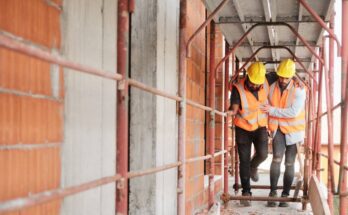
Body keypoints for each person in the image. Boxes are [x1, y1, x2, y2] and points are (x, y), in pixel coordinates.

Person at [229, 62, 278, 206]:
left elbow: (285, 76)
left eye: (258, 83)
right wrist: (230, 112)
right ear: (247, 76)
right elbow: (235, 108)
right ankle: (246, 193)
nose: (256, 86)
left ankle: (253, 166)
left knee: (263, 154)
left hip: (260, 126)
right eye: (253, 83)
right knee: (243, 160)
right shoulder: (238, 88)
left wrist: (297, 83)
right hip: (243, 128)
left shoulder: (267, 79)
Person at [260, 59, 306, 207]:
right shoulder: (272, 85)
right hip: (278, 128)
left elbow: (293, 112)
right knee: (277, 159)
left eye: (286, 77)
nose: (283, 80)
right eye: (281, 76)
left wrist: (272, 110)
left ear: (292, 76)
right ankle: (273, 193)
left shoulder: (299, 89)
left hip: (294, 131)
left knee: (289, 162)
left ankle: (285, 195)